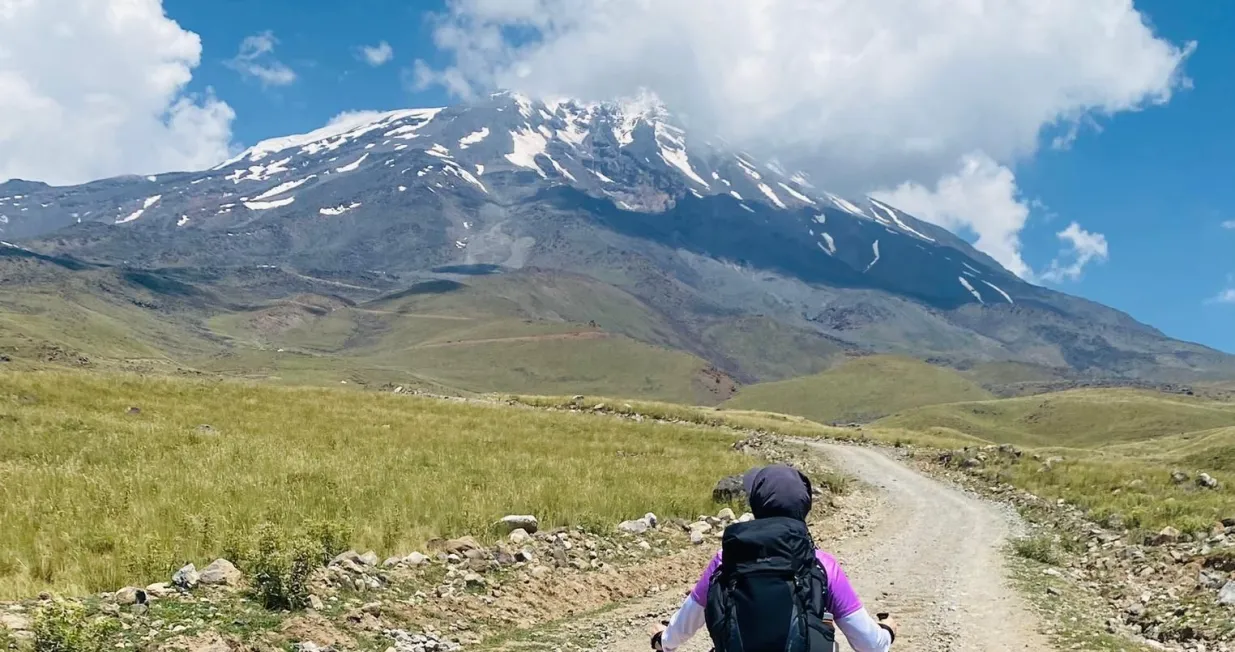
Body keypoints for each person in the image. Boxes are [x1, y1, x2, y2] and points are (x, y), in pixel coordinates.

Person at [651, 465, 896, 652]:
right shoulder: (822, 565)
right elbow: (870, 645)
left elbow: (685, 624)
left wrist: (663, 640)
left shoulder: (726, 559)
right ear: (804, 508)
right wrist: (887, 631)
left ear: (756, 505)